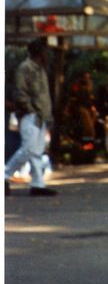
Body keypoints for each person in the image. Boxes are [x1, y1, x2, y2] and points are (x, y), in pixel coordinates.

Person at [4, 38, 57, 197]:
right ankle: (5, 175)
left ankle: (38, 184)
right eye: (45, 51)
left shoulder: (40, 69)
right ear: (40, 52)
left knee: (36, 151)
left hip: (41, 115)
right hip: (31, 115)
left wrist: (47, 116)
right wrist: (30, 109)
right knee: (28, 149)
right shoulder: (25, 68)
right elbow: (21, 92)